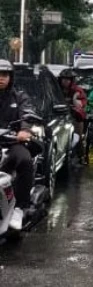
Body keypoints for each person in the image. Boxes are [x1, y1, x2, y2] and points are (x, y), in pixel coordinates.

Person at [0, 59, 36, 230]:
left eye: (4, 74)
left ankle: (19, 208)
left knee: (25, 160)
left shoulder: (19, 96)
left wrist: (25, 130)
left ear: (10, 77)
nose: (1, 78)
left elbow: (28, 114)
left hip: (12, 142)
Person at [58, 69, 88, 161]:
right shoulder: (56, 89)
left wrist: (75, 98)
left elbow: (80, 104)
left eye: (68, 79)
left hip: (75, 117)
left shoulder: (78, 90)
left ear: (72, 80)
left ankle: (81, 156)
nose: (65, 81)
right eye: (64, 79)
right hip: (59, 117)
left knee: (77, 137)